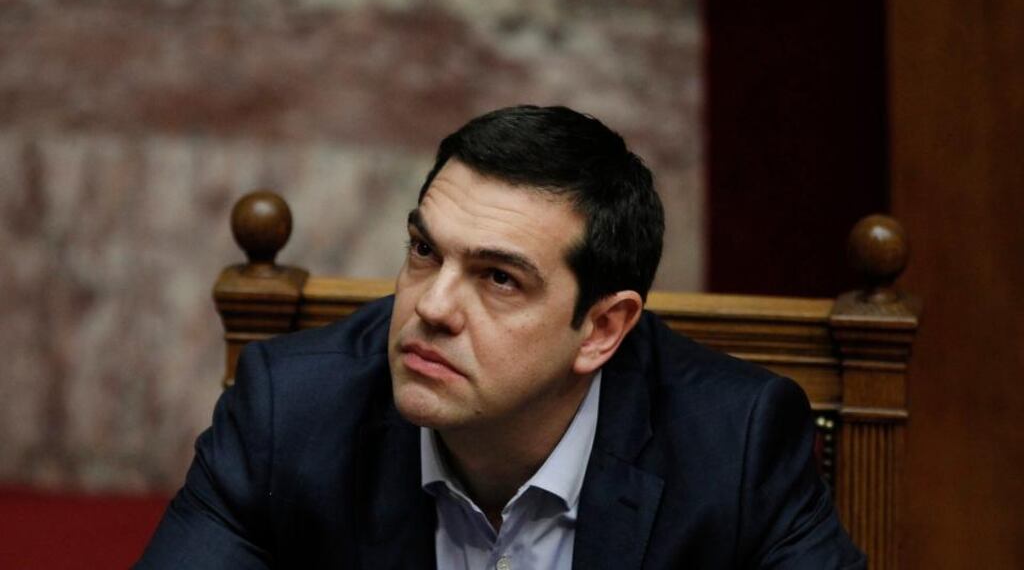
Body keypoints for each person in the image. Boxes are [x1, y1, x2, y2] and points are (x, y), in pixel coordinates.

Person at [137, 106, 865, 569]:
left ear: (602, 329)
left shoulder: (733, 445)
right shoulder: (289, 410)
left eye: (499, 279)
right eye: (425, 252)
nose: (434, 307)